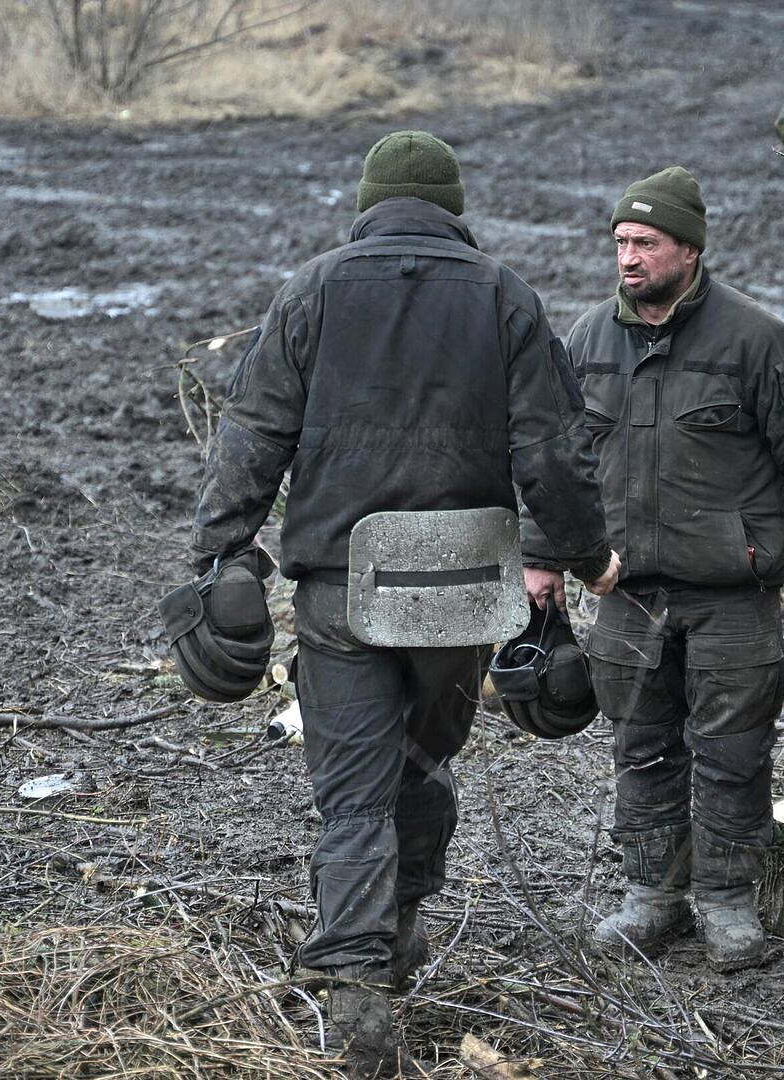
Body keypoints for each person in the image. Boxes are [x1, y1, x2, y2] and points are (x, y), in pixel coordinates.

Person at [180, 130, 619, 1077]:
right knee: (420, 762)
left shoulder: (314, 288)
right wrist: (586, 556)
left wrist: (221, 547)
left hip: (342, 585)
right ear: (454, 207)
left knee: (351, 794)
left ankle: (357, 990)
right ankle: (405, 921)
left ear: (369, 200)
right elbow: (551, 449)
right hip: (464, 589)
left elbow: (254, 429)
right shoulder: (505, 295)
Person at [521, 166, 784, 972]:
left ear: (689, 249)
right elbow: (553, 462)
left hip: (732, 593)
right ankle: (652, 897)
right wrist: (542, 558)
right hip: (624, 590)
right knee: (639, 746)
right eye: (620, 242)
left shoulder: (755, 340)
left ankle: (725, 904)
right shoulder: (584, 341)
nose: (629, 257)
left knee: (732, 750)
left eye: (646, 243)